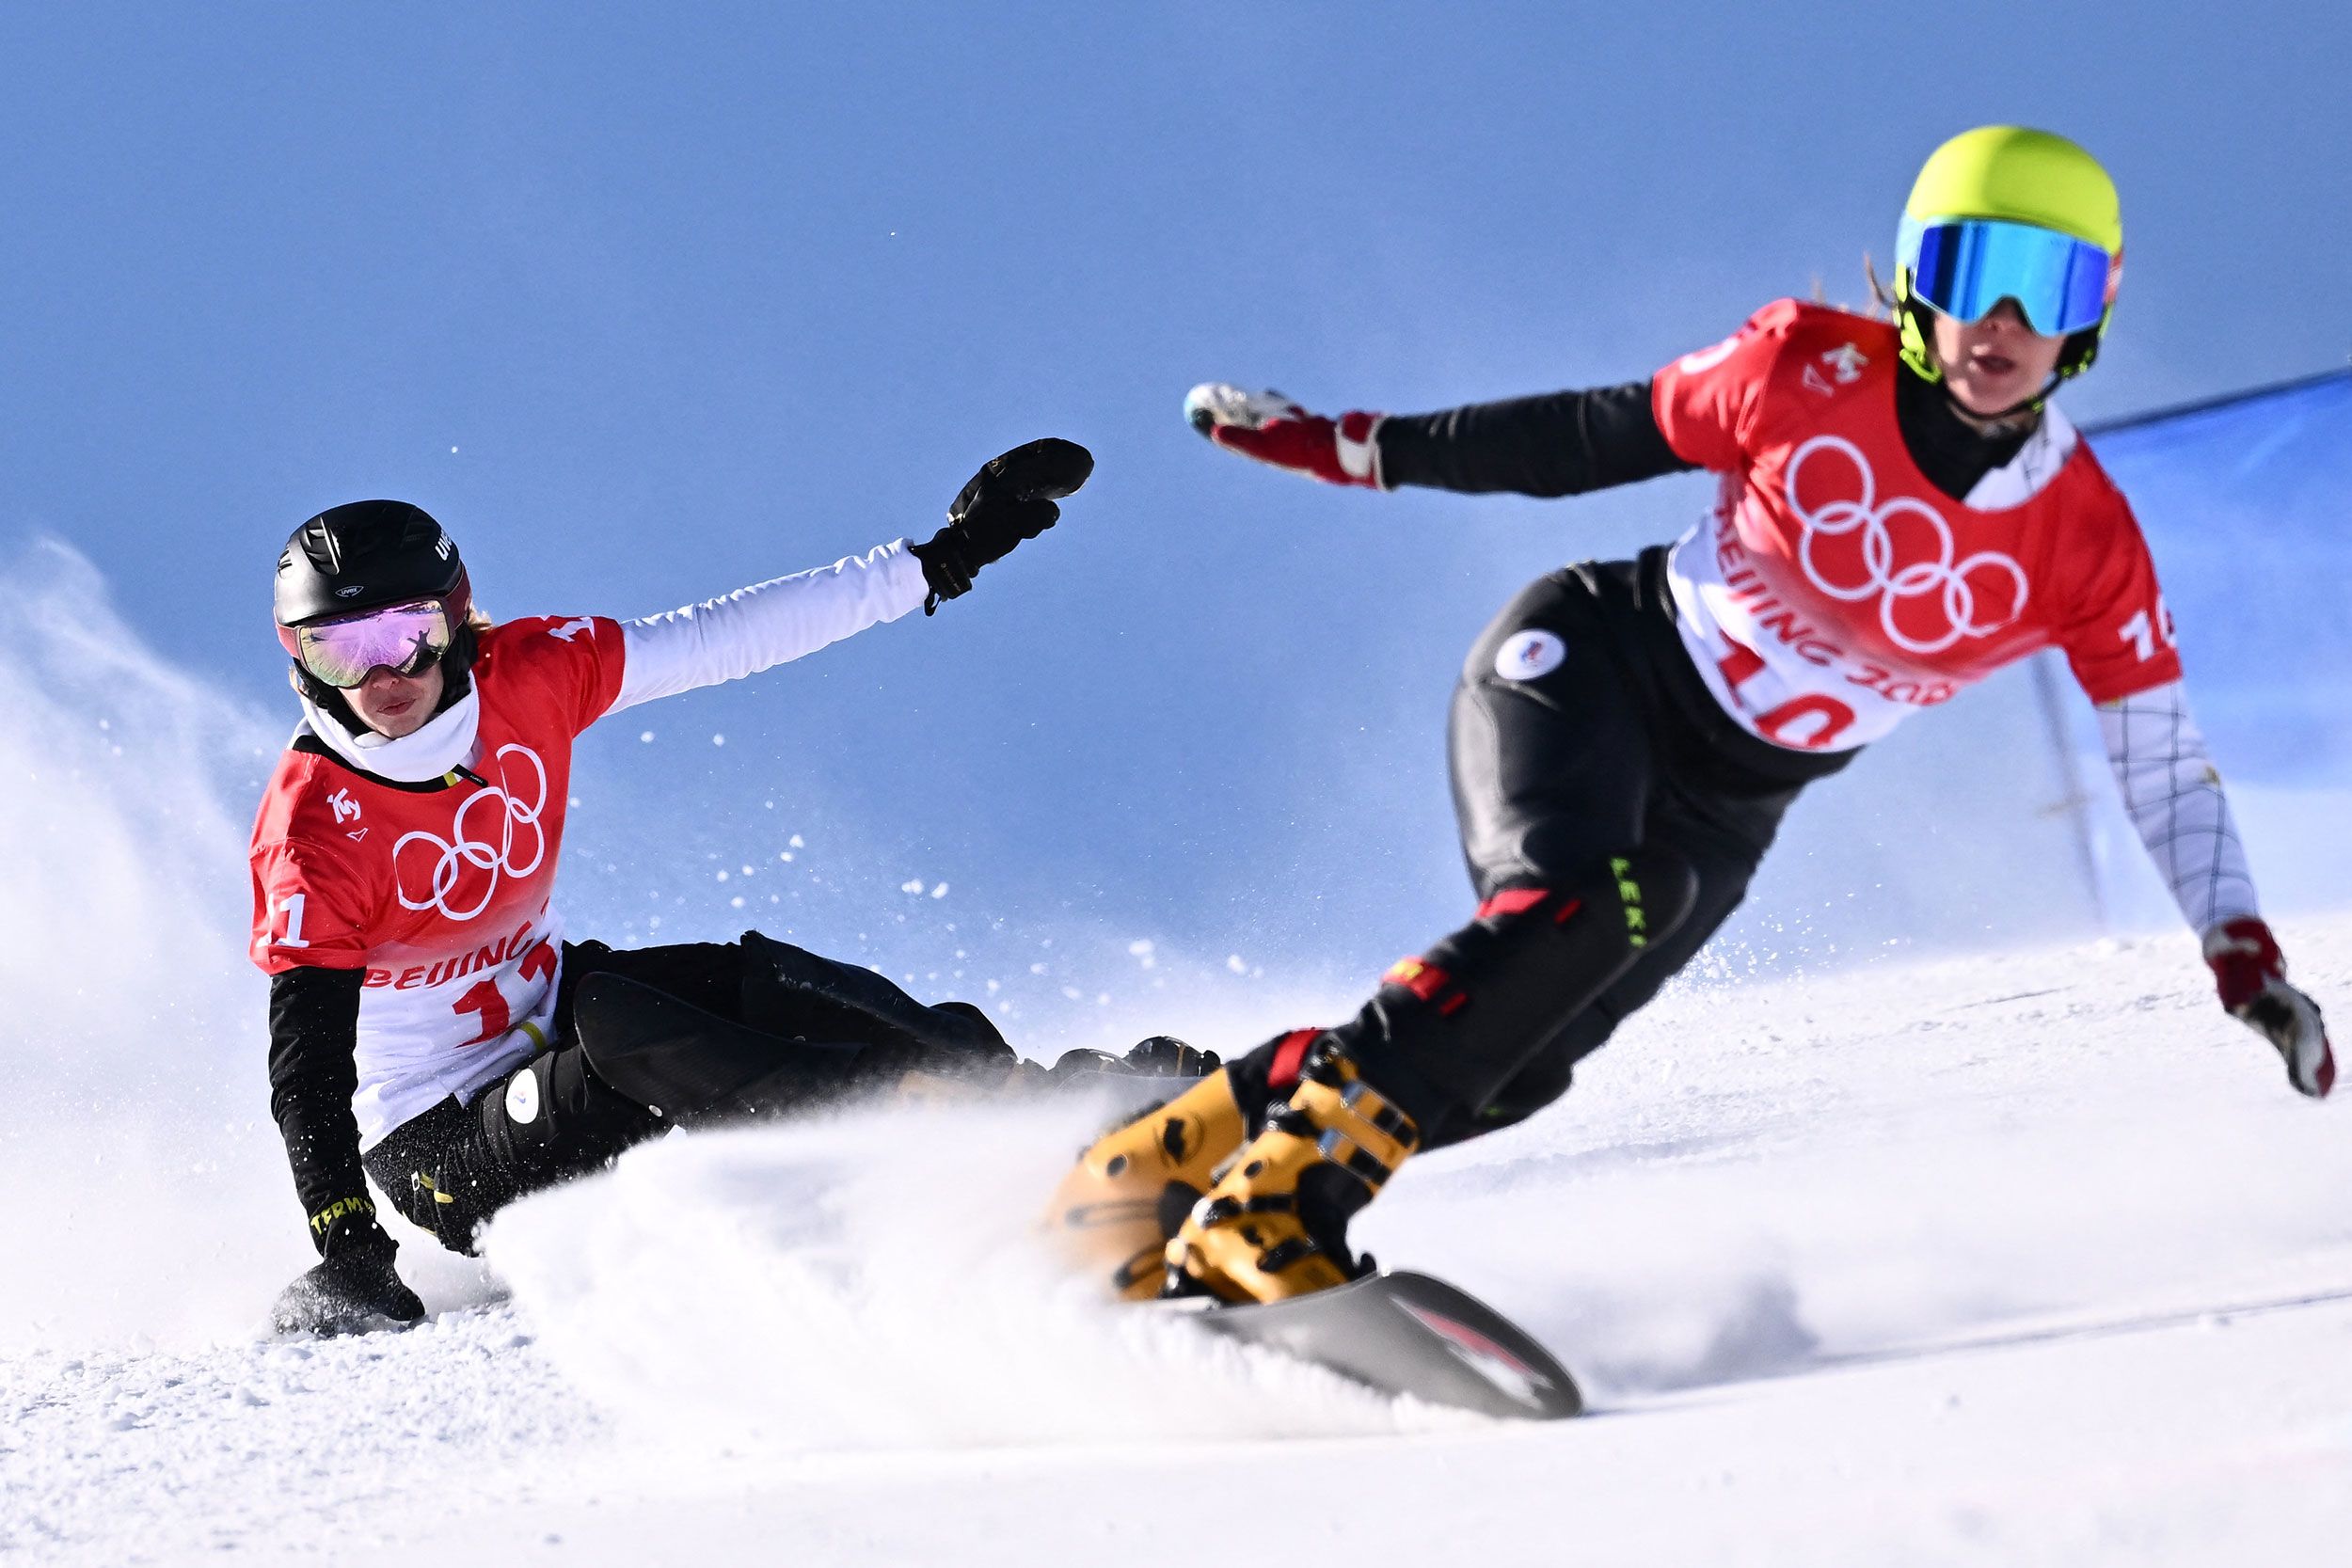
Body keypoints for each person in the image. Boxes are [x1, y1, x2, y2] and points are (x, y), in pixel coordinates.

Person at [1045, 126, 2336, 1306]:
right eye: (1969, 268)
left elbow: (2163, 764)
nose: (1997, 321)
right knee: (1573, 910)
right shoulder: (1803, 367)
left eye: (2044, 289)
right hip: (1596, 665)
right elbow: (1585, 434)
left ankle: (1151, 1160)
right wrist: (1351, 445)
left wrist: (2245, 958)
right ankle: (1273, 1208)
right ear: (1908, 283)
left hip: (1729, 812)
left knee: (1509, 1061)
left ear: (2090, 319)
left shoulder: (2087, 541)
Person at [257, 438, 1189, 1335]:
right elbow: (308, 1070)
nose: (383, 677)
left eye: (407, 635)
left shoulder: (532, 674)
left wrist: (935, 561)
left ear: (456, 619)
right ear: (302, 660)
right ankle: (949, 1145)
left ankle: (1030, 1095)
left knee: (748, 979)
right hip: (449, 1147)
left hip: (557, 1017)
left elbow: (718, 637)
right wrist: (348, 1243)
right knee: (623, 1015)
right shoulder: (313, 827)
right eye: (343, 650)